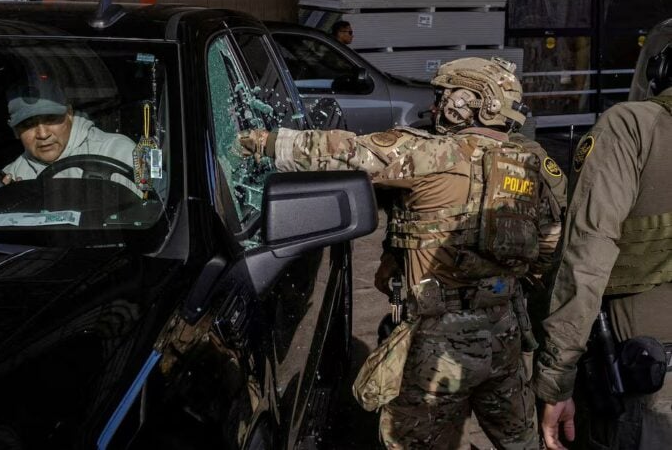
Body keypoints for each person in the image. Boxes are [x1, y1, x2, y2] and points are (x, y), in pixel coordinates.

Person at [239, 56, 566, 449]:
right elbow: (549, 249)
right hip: (504, 335)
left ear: (467, 103)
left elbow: (339, 151)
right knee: (521, 441)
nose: (436, 106)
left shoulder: (429, 153)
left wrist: (257, 142)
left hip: (436, 344)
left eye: (443, 97)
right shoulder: (531, 166)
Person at [534, 33, 672, 449]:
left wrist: (556, 377)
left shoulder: (632, 126)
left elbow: (587, 256)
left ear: (661, 70)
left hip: (647, 379)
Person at [0, 77, 139, 194]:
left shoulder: (117, 151)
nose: (43, 133)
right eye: (28, 125)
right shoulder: (13, 174)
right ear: (15, 130)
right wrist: (3, 202)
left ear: (69, 114)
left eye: (50, 119)